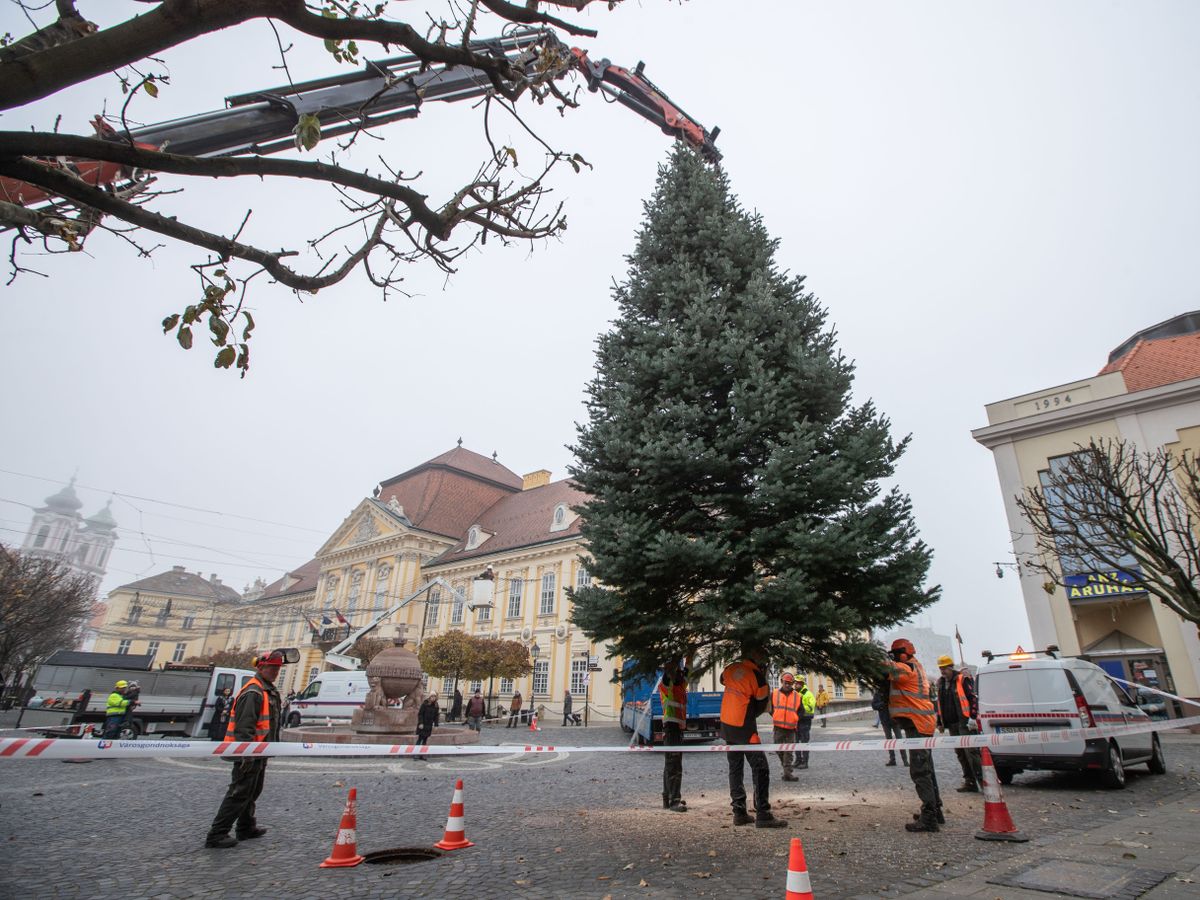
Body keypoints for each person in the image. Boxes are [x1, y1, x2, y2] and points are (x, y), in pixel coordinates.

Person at [205, 650, 284, 848]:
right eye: (272, 668)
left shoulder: (266, 690)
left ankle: (246, 826)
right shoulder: (253, 692)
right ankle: (217, 833)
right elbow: (245, 727)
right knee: (239, 792)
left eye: (277, 669)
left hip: (259, 751)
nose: (275, 672)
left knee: (252, 790)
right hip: (247, 753)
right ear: (261, 668)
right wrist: (247, 754)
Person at [719, 646, 786, 828]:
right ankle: (763, 813)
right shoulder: (758, 678)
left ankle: (739, 812)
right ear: (761, 662)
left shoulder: (731, 668)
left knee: (735, 767)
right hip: (744, 728)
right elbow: (760, 705)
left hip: (726, 724)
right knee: (761, 767)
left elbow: (722, 679)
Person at [886, 637, 941, 833]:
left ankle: (929, 817)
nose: (893, 658)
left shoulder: (907, 669)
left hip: (918, 724)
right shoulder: (915, 667)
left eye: (894, 654)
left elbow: (887, 669)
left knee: (920, 771)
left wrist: (874, 655)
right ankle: (936, 810)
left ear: (902, 653)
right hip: (921, 724)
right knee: (928, 768)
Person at [936, 655, 983, 792]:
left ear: (951, 667)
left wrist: (973, 717)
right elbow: (940, 704)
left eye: (944, 668)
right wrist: (940, 722)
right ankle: (970, 782)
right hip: (952, 725)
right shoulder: (941, 683)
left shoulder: (962, 680)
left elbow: (973, 698)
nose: (942, 671)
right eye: (940, 669)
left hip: (965, 723)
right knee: (961, 754)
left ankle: (983, 783)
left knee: (972, 753)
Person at [660, 659, 689, 811]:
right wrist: (672, 663)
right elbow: (668, 675)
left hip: (677, 729)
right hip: (671, 729)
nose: (681, 674)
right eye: (678, 672)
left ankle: (668, 797)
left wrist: (689, 654)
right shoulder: (666, 685)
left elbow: (687, 672)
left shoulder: (680, 685)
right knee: (673, 765)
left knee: (671, 765)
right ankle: (674, 801)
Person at [770, 672, 802, 782]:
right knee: (779, 749)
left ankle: (788, 774)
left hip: (791, 729)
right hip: (778, 727)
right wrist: (775, 715)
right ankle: (786, 767)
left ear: (792, 683)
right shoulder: (774, 693)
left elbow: (801, 711)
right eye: (785, 682)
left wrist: (795, 718)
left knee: (788, 752)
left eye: (789, 683)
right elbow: (770, 708)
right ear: (781, 682)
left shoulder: (798, 696)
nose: (787, 685)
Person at [872, 677, 908, 767]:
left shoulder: (892, 691)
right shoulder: (878, 693)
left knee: (900, 740)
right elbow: (874, 705)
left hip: (895, 719)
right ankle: (892, 760)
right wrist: (882, 705)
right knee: (889, 741)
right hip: (885, 720)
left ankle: (905, 760)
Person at [795, 679, 816, 769]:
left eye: (797, 683)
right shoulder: (796, 694)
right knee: (796, 741)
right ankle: (798, 760)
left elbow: (811, 707)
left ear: (801, 684)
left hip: (805, 720)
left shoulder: (808, 694)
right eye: (795, 683)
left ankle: (805, 762)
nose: (795, 685)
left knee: (804, 741)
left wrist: (800, 708)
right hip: (797, 720)